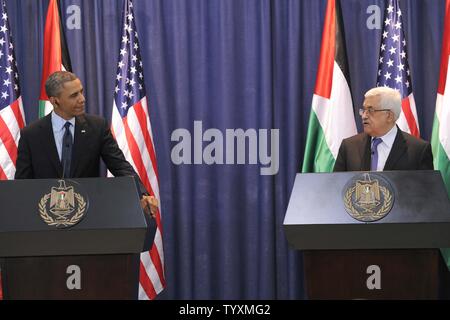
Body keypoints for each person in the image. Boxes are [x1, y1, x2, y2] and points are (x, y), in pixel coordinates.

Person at [14, 71, 158, 217]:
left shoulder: (97, 127)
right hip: (45, 217)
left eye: (81, 92)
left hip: (87, 215)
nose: (82, 99)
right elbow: (22, 183)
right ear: (54, 101)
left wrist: (142, 194)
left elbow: (120, 165)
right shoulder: (31, 135)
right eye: (73, 95)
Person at [333, 86, 433, 172]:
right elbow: (336, 186)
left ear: (389, 116)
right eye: (364, 110)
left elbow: (425, 192)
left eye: (370, 110)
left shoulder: (418, 150)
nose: (364, 116)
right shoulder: (349, 147)